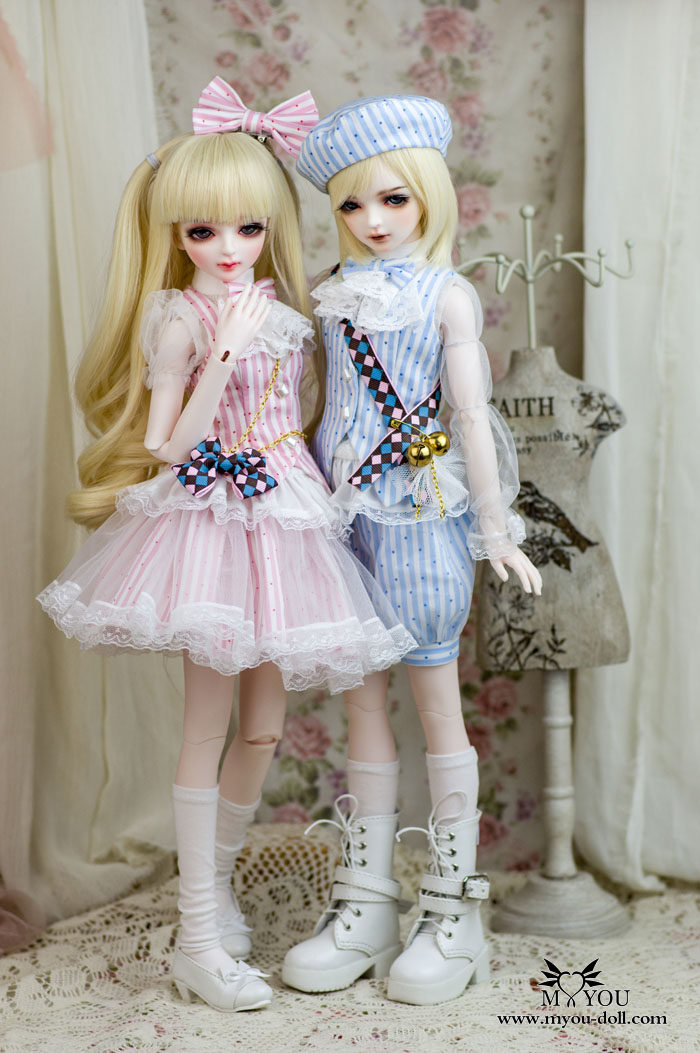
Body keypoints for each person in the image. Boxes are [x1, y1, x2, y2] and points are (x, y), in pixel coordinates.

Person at [38, 79, 414, 1013]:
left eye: (247, 228)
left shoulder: (285, 304)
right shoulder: (181, 316)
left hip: (288, 513)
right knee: (205, 729)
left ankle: (214, 894)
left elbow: (305, 410)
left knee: (262, 728)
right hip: (208, 515)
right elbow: (167, 443)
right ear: (176, 234)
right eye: (205, 231)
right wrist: (228, 350)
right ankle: (199, 937)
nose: (229, 247)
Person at [283, 94, 542, 1006]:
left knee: (436, 703)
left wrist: (494, 527)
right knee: (362, 702)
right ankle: (367, 901)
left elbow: (471, 415)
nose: (373, 220)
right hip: (340, 513)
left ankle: (453, 906)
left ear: (429, 195)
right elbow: (316, 403)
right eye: (353, 204)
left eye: (393, 199)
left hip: (421, 514)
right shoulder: (332, 292)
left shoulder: (446, 294)